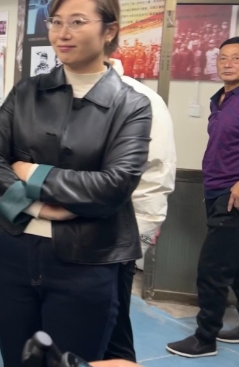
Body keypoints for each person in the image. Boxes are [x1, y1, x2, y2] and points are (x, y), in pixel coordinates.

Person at [0, 0, 153, 367]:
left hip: (87, 262)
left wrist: (32, 173)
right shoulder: (27, 92)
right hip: (15, 252)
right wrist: (39, 207)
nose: (62, 33)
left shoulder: (131, 105)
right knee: (18, 359)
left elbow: (114, 186)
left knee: (71, 360)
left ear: (109, 30)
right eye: (55, 22)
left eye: (77, 22)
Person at [166, 36, 239, 358]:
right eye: (223, 58)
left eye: (236, 58)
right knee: (234, 267)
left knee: (212, 270)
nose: (228, 63)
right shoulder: (220, 99)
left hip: (231, 196)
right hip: (214, 189)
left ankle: (205, 338)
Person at [103, 55, 176, 362]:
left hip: (115, 240)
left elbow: (156, 177)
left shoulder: (141, 99)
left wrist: (139, 239)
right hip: (57, 237)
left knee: (112, 326)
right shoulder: (49, 95)